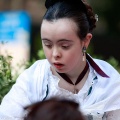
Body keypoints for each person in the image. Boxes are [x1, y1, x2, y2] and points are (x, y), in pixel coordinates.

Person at [0, 0, 120, 119]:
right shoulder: (34, 79)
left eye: (64, 46)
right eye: (47, 45)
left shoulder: (108, 80)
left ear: (85, 41)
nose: (55, 54)